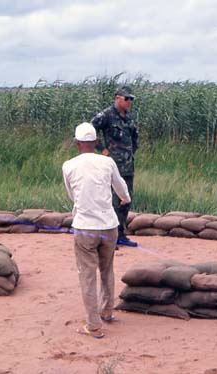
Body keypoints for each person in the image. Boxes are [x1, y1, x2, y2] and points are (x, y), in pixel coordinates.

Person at [62, 122, 131, 339]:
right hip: (109, 227)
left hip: (85, 228)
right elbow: (120, 186)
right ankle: (107, 311)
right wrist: (125, 199)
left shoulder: (69, 165)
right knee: (107, 269)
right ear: (95, 142)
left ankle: (94, 325)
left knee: (87, 276)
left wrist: (81, 207)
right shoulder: (107, 162)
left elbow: (72, 193)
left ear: (77, 143)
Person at [91, 85, 139, 247]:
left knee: (126, 199)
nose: (129, 102)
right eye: (127, 99)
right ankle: (108, 237)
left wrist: (132, 153)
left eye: (131, 99)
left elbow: (134, 138)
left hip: (127, 165)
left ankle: (120, 233)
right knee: (112, 200)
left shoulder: (128, 117)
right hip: (111, 166)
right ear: (118, 98)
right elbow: (90, 131)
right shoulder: (106, 115)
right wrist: (102, 149)